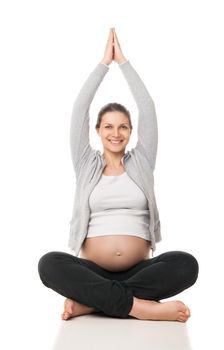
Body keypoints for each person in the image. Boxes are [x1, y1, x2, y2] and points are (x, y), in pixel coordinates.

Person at [38, 28, 199, 322]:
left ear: (130, 132)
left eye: (123, 126)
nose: (116, 133)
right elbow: (79, 109)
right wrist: (103, 64)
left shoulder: (142, 162)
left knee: (186, 264)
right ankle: (140, 307)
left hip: (140, 269)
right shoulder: (86, 164)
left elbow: (147, 108)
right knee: (49, 264)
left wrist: (123, 62)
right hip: (93, 270)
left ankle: (94, 302)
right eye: (108, 126)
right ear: (97, 131)